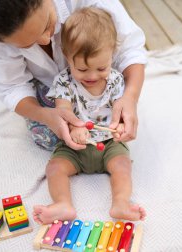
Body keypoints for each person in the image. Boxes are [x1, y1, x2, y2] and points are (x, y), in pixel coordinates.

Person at [0, 0, 147, 151]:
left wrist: (130, 96)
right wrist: (44, 115)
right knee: (49, 135)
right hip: (49, 90)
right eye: (27, 45)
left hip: (102, 86)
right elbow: (12, 87)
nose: (45, 40)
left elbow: (130, 50)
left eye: (47, 24)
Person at [32, 7, 146, 224]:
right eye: (82, 70)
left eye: (101, 68)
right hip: (75, 147)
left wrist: (120, 126)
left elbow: (120, 111)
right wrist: (75, 128)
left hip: (109, 143)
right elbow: (64, 111)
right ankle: (63, 204)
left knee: (122, 165)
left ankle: (121, 202)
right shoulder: (63, 82)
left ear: (112, 55)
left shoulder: (115, 80)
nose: (92, 76)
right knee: (54, 168)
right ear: (67, 56)